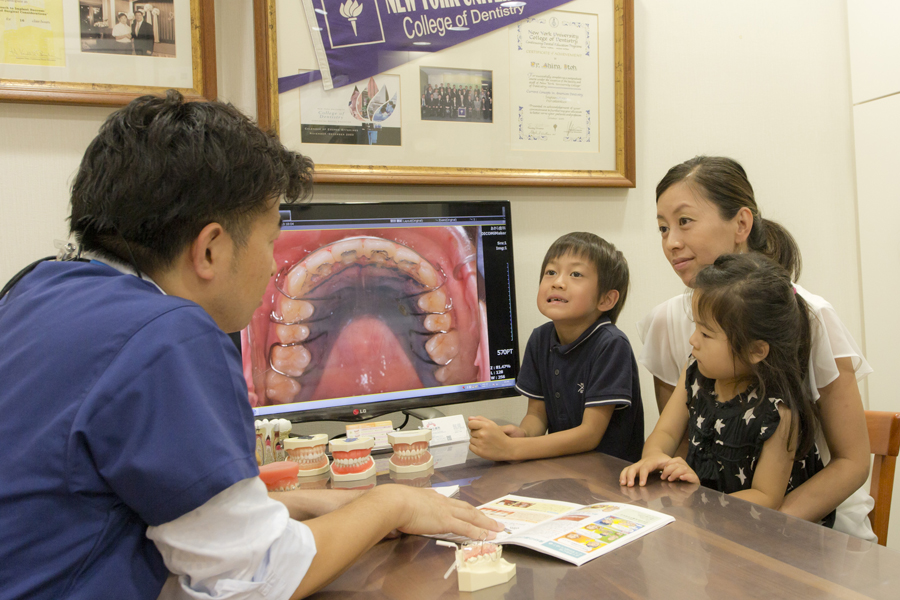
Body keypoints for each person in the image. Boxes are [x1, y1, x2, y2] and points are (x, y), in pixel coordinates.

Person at [0, 90, 502, 600]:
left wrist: (301, 506)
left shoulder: (35, 289)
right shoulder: (166, 335)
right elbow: (257, 581)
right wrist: (392, 505)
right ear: (210, 249)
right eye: (269, 239)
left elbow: (135, 500)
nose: (269, 265)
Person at [638, 155, 874, 539]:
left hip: (807, 527)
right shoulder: (666, 321)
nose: (671, 242)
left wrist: (759, 526)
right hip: (711, 525)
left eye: (684, 221)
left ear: (742, 223)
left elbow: (851, 461)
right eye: (663, 228)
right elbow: (681, 443)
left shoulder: (811, 316)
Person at [622, 254, 834, 521]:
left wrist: (698, 500)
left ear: (756, 349)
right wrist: (655, 458)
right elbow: (665, 431)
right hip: (714, 528)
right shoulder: (694, 375)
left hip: (767, 539)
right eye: (695, 327)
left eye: (706, 334)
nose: (693, 340)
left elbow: (765, 497)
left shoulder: (777, 414)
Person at [468, 232, 644, 463]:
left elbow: (589, 435)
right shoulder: (540, 339)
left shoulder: (611, 345)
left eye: (576, 274)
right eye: (551, 272)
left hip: (609, 478)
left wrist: (513, 450)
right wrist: (522, 435)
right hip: (563, 470)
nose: (558, 282)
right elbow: (537, 416)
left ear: (606, 300)